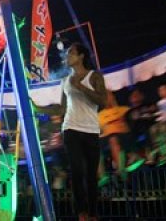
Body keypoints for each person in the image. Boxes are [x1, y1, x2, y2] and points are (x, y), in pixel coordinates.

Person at [35, 42, 107, 221]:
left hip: (91, 129)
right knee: (76, 170)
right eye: (67, 54)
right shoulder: (65, 80)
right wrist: (37, 108)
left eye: (71, 53)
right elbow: (61, 109)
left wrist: (81, 87)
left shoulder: (94, 76)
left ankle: (93, 213)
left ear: (81, 56)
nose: (67, 57)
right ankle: (81, 212)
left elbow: (103, 101)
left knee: (92, 174)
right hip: (71, 128)